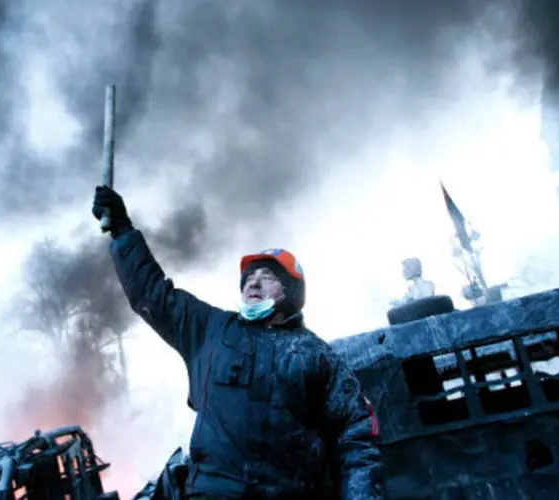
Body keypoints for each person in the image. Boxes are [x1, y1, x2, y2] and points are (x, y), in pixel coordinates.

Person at [93, 186, 384, 499]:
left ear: (291, 292)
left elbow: (356, 438)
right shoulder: (210, 330)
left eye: (268, 276)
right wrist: (123, 231)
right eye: (249, 277)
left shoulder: (318, 356)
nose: (253, 281)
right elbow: (152, 294)